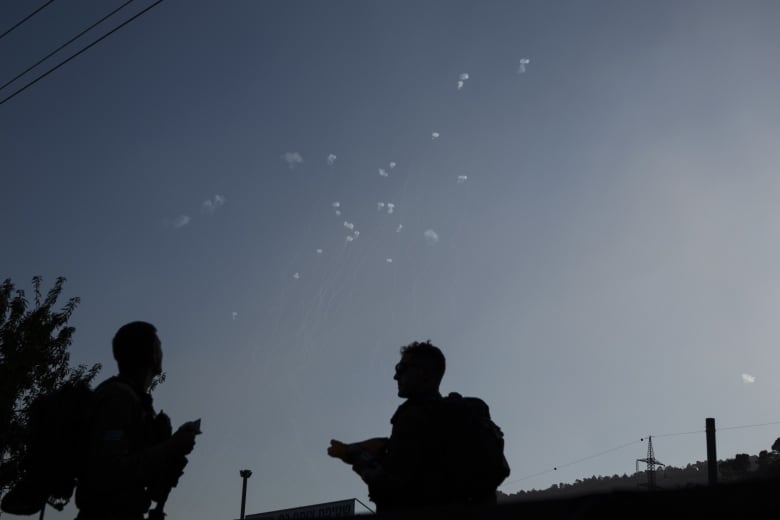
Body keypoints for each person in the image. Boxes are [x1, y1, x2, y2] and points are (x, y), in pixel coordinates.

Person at [328, 340, 506, 513]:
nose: (396, 376)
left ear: (423, 373)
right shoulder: (454, 416)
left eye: (401, 368)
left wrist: (362, 462)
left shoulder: (414, 415)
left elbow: (394, 487)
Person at [75, 321, 200, 520]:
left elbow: (151, 484)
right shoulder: (117, 399)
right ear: (151, 354)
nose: (162, 352)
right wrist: (171, 447)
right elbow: (110, 472)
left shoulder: (135, 400)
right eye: (158, 346)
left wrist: (173, 447)